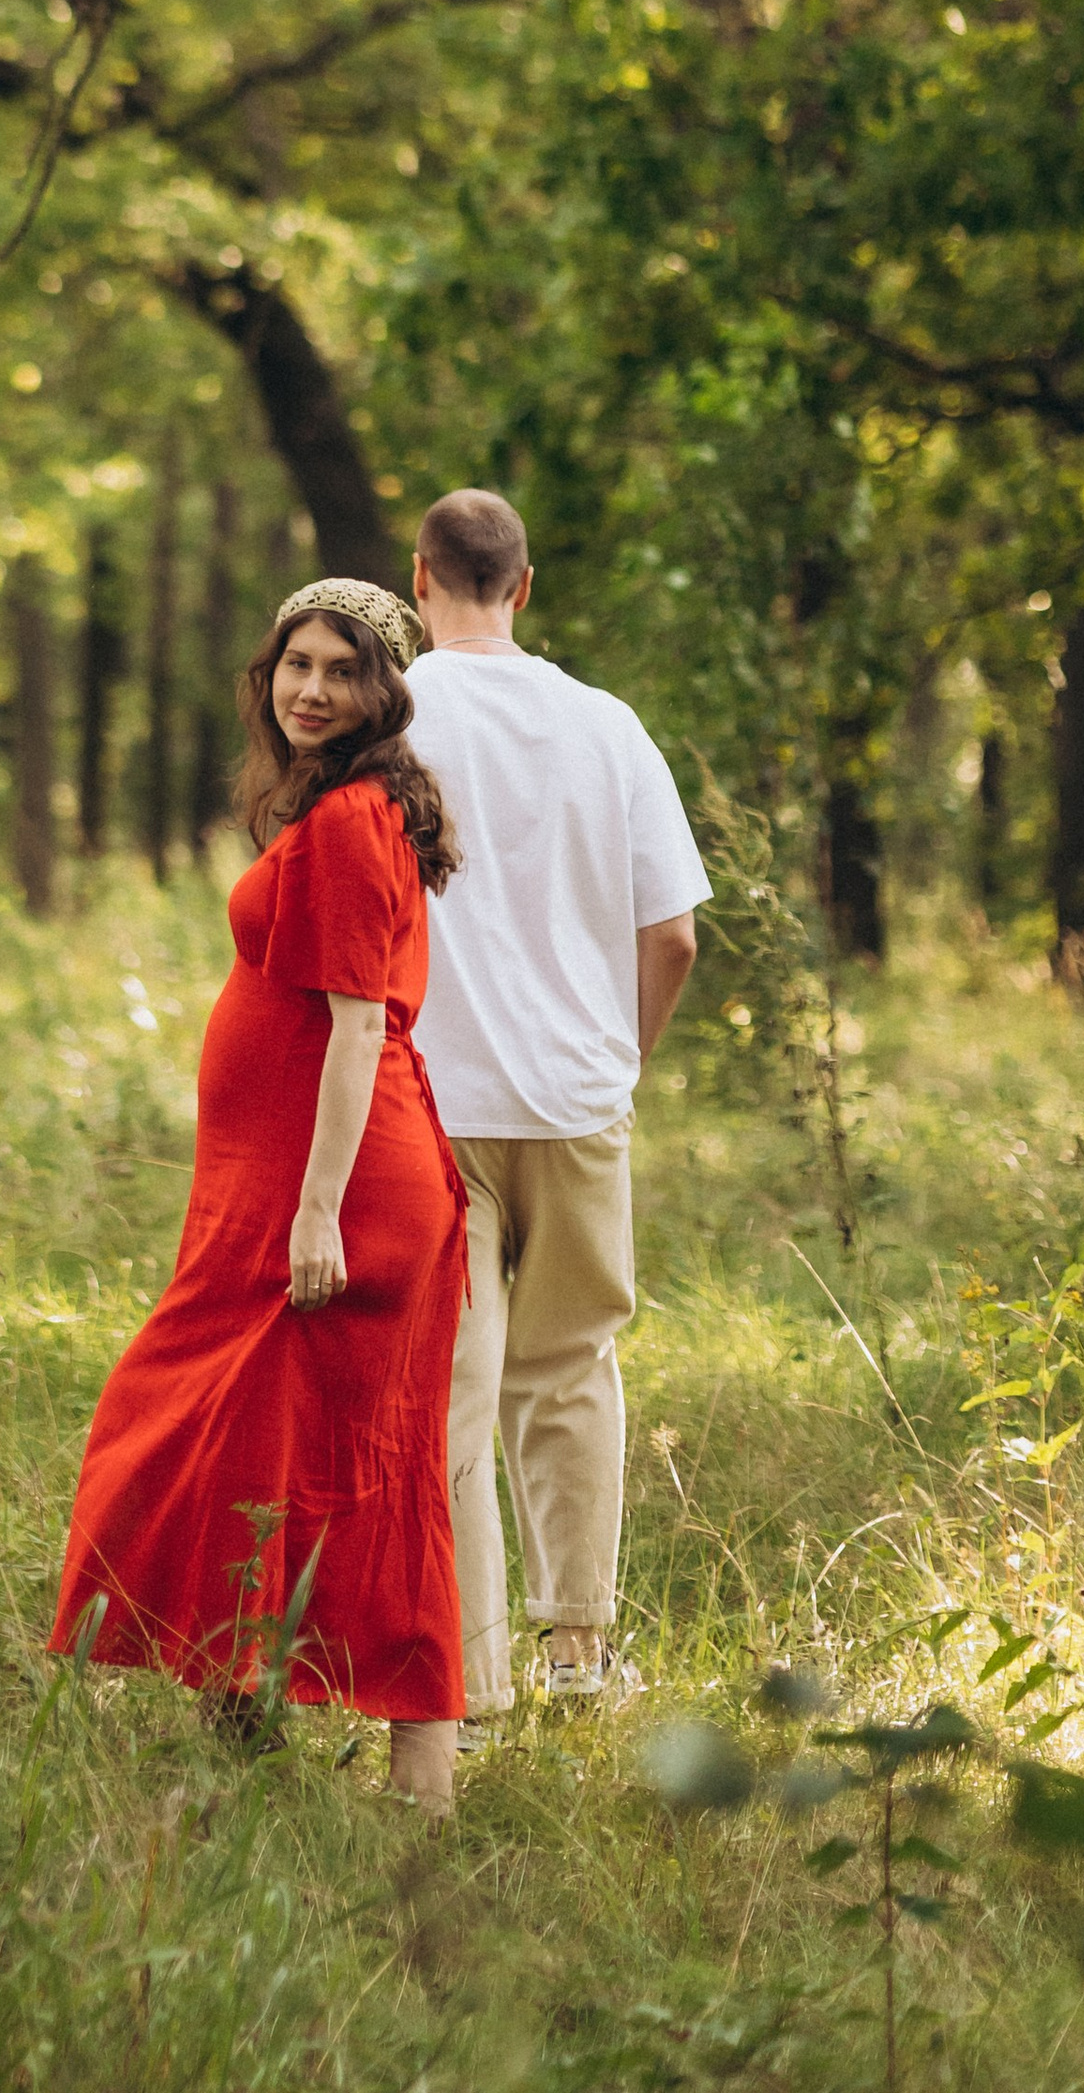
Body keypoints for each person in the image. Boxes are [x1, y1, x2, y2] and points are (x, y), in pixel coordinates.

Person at [50, 578, 469, 1808]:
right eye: (296, 663)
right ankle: (242, 1715)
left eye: (341, 670)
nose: (311, 689)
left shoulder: (347, 821)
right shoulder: (341, 806)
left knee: (320, 1461)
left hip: (331, 1189)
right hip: (290, 1180)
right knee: (274, 1450)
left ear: (382, 691)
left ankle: (419, 1780)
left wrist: (316, 1208)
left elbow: (355, 1027)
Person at [404, 488, 707, 1718]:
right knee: (570, 1368)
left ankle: (464, 1681)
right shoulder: (606, 725)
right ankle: (577, 1654)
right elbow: (673, 937)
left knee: (452, 1390)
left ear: (419, 579)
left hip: (432, 1105)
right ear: (523, 586)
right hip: (578, 1103)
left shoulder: (392, 718)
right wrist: (617, 1064)